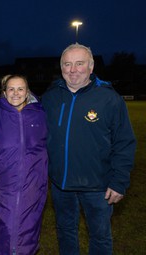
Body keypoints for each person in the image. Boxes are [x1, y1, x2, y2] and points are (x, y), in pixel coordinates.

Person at [42, 43, 136, 254]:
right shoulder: (51, 97)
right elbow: (20, 104)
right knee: (65, 231)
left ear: (91, 67)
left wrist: (119, 182)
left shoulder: (109, 98)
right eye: (67, 64)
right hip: (61, 184)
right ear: (61, 67)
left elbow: (124, 142)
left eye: (79, 63)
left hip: (98, 186)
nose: (73, 69)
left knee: (100, 236)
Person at [0, 75, 48, 255]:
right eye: (11, 89)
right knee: (3, 230)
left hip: (32, 186)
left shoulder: (40, 114)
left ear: (27, 92)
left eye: (20, 89)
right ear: (4, 93)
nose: (16, 93)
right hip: (3, 186)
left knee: (28, 231)